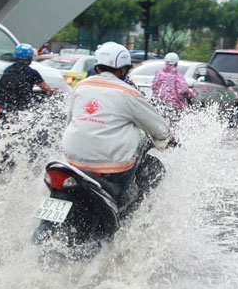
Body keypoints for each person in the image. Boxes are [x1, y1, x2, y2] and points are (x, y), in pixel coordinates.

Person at [61, 42, 173, 196]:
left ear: (98, 67)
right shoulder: (128, 92)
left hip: (72, 159)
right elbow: (159, 128)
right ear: (123, 69)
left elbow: (70, 122)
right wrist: (168, 139)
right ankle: (125, 203)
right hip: (110, 165)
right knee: (140, 170)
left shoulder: (80, 86)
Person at [0, 43, 60, 112]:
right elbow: (46, 89)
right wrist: (57, 92)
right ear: (30, 57)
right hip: (22, 105)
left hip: (4, 104)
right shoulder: (32, 72)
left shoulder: (7, 70)